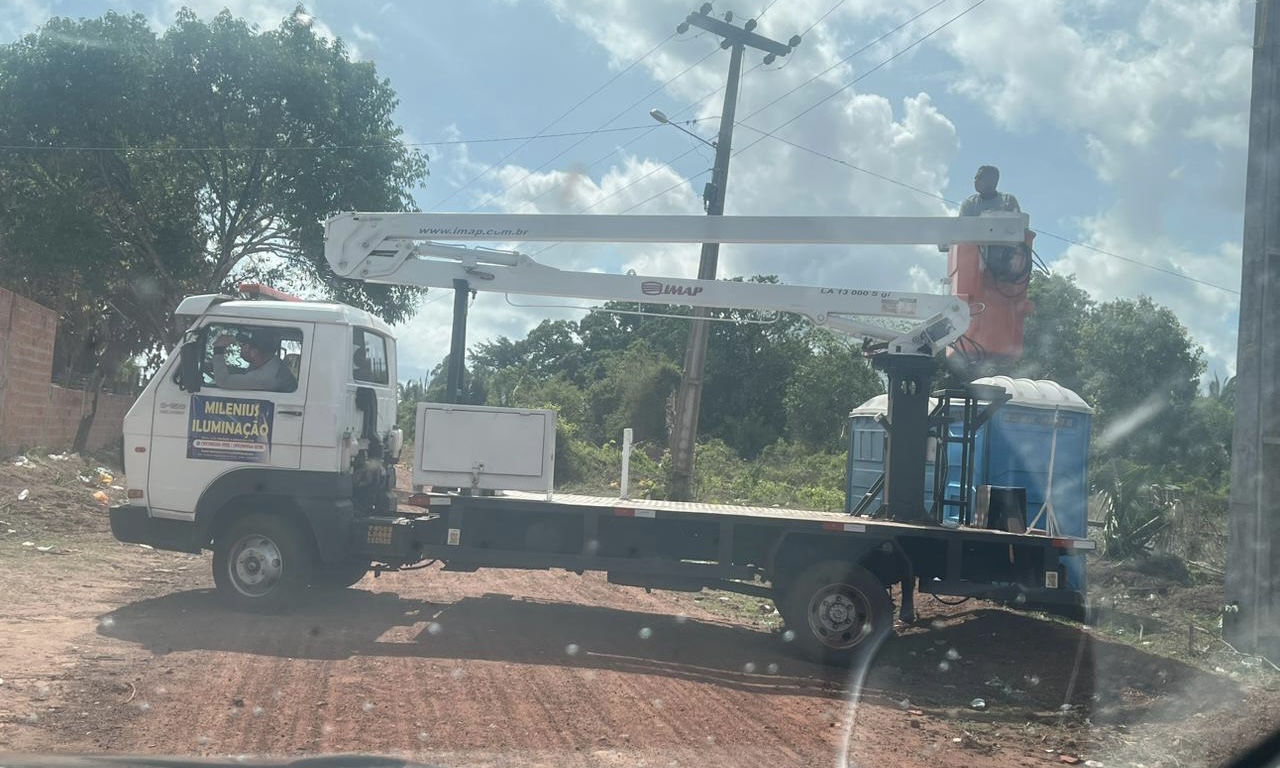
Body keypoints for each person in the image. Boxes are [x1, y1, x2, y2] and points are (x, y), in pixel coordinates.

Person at [210, 331, 296, 392]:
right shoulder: (273, 364)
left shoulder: (263, 378)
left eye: (244, 345)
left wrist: (219, 349)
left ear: (254, 352)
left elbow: (223, 381)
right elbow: (246, 374)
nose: (241, 347)